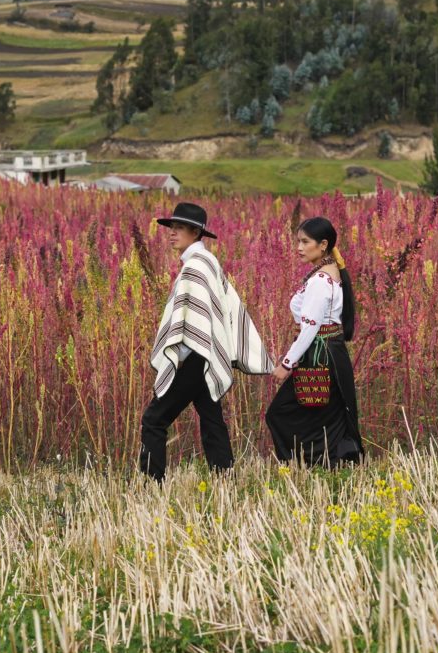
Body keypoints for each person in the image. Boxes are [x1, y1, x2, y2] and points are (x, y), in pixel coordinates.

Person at [141, 202, 273, 481]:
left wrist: (182, 356)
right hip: (208, 354)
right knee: (211, 416)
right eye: (171, 228)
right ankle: (224, 477)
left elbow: (194, 320)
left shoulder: (194, 267)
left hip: (194, 354)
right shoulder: (208, 261)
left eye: (178, 228)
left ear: (195, 231)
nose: (172, 233)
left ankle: (151, 483)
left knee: (154, 420)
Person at [265, 216, 362, 466]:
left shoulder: (321, 281)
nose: (298, 247)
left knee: (280, 413)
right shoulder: (330, 273)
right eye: (297, 241)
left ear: (323, 245)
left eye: (304, 242)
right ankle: (331, 462)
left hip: (319, 355)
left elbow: (310, 327)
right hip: (331, 353)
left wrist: (286, 364)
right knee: (326, 413)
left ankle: (302, 464)